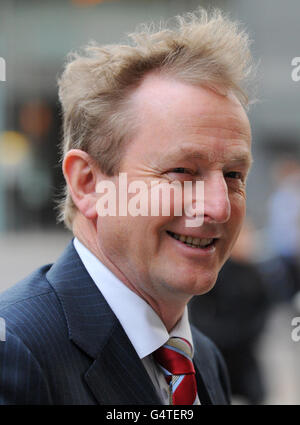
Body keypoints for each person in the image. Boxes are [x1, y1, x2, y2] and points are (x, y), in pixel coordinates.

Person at [0, 8, 254, 405]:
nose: (219, 207)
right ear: (88, 183)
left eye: (234, 175)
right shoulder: (15, 351)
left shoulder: (202, 357)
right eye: (183, 170)